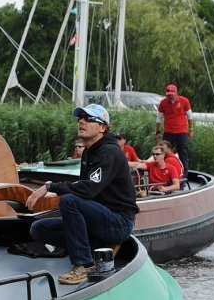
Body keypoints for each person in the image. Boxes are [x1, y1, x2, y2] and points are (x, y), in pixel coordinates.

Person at [26, 104, 138, 285]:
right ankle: (93, 247)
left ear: (102, 127)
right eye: (80, 118)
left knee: (70, 201)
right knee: (38, 229)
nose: (81, 121)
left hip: (119, 222)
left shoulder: (109, 152)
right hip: (97, 218)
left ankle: (83, 265)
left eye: (88, 118)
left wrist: (50, 187)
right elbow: (83, 187)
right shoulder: (88, 152)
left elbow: (89, 189)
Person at [156, 84, 192, 172]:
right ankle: (165, 171)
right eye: (168, 95)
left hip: (182, 131)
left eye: (172, 95)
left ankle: (183, 175)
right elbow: (159, 118)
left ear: (176, 93)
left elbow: (190, 117)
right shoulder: (163, 103)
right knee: (164, 152)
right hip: (168, 131)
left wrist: (191, 129)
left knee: (183, 153)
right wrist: (157, 131)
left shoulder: (184, 101)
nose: (170, 97)